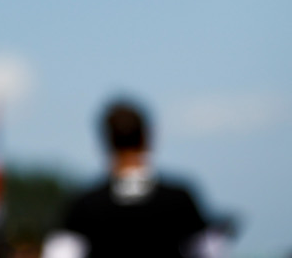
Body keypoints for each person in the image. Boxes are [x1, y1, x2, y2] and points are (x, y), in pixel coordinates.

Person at [42, 99, 226, 258]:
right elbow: (209, 252)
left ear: (105, 141)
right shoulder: (179, 199)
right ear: (147, 137)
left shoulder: (85, 205)